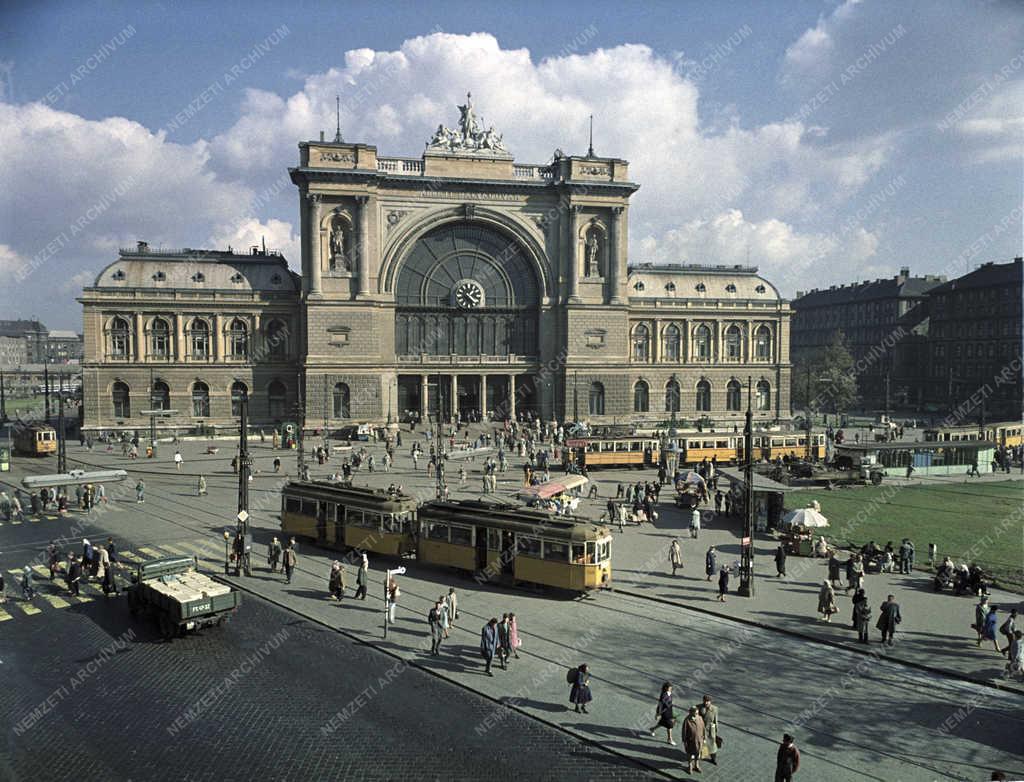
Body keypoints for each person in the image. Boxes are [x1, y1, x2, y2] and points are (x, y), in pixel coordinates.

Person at [681, 705, 706, 774]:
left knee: (698, 754)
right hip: (691, 741)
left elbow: (703, 728)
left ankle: (696, 765)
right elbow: (684, 731)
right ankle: (690, 766)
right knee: (690, 754)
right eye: (695, 713)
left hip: (699, 741)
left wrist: (704, 738)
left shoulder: (700, 718)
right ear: (691, 712)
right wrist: (684, 741)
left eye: (697, 713)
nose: (696, 715)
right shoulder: (687, 720)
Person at [697, 694, 719, 765]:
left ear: (710, 701)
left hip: (710, 730)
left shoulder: (715, 709)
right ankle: (704, 755)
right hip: (701, 730)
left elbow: (715, 721)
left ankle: (713, 759)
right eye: (705, 701)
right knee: (703, 744)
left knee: (712, 746)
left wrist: (716, 730)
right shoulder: (698, 707)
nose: (706, 702)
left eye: (707, 701)